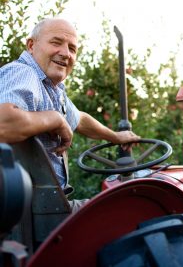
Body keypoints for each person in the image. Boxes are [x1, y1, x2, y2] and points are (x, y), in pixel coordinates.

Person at [0, 18, 140, 212]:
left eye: (72, 49)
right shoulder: (24, 73)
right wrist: (54, 119)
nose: (65, 53)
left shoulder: (50, 89)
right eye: (56, 43)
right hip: (31, 214)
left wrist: (116, 137)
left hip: (46, 207)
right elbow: (3, 124)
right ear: (31, 45)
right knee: (133, 208)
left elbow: (80, 119)